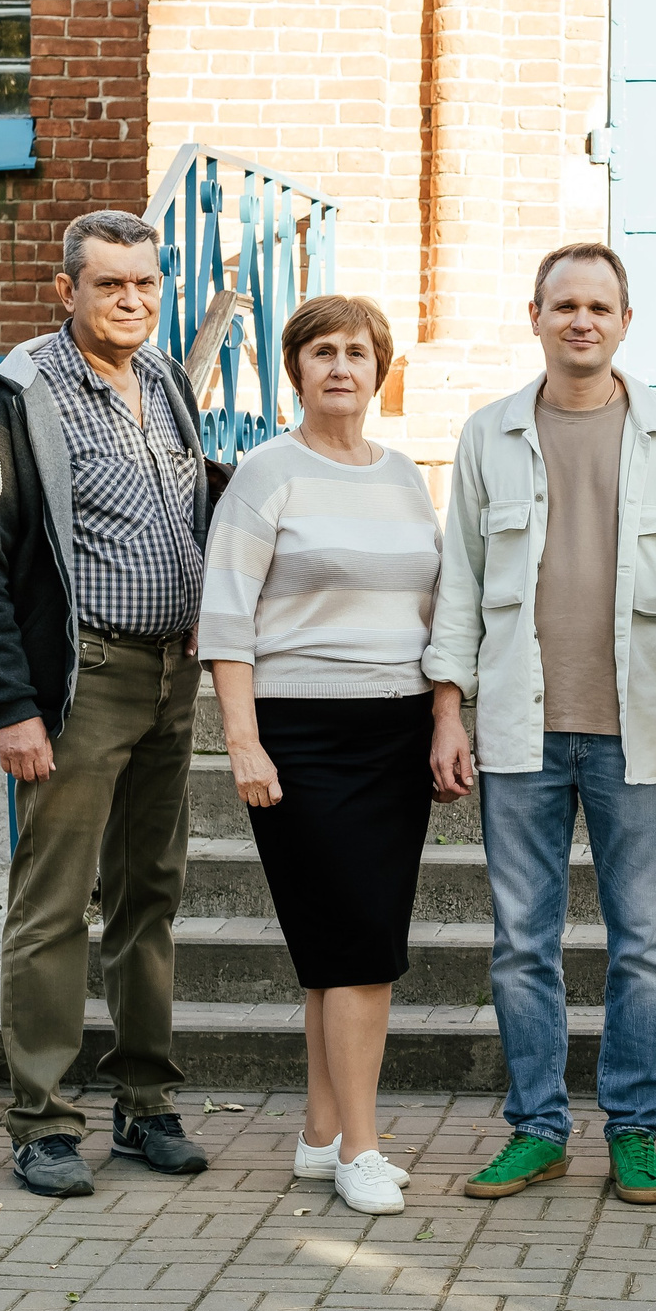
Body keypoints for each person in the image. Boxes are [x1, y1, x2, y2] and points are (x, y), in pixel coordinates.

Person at [427, 244, 656, 1208]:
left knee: (643, 943)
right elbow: (460, 583)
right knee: (521, 942)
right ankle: (537, 1128)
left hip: (639, 728)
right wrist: (448, 711)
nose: (581, 320)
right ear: (536, 315)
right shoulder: (489, 435)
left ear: (626, 320)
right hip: (520, 728)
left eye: (599, 305)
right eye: (565, 305)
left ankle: (633, 1131)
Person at [0, 208, 214, 1198]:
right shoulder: (17, 391)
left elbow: (185, 508)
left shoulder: (168, 381)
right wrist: (12, 707)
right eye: (111, 285)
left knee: (151, 890)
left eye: (145, 284)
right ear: (67, 291)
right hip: (81, 680)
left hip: (169, 677)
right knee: (56, 905)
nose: (133, 301)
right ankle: (43, 1120)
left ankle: (145, 1103)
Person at [198, 294, 443, 1217]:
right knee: (360, 948)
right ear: (296, 370)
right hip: (299, 734)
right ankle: (365, 1150)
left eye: (357, 352)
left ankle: (319, 1132)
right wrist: (243, 739)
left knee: (341, 946)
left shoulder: (405, 478)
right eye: (322, 353)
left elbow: (432, 606)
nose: (341, 367)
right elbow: (225, 615)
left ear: (379, 370)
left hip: (395, 729)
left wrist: (444, 717)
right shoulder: (268, 474)